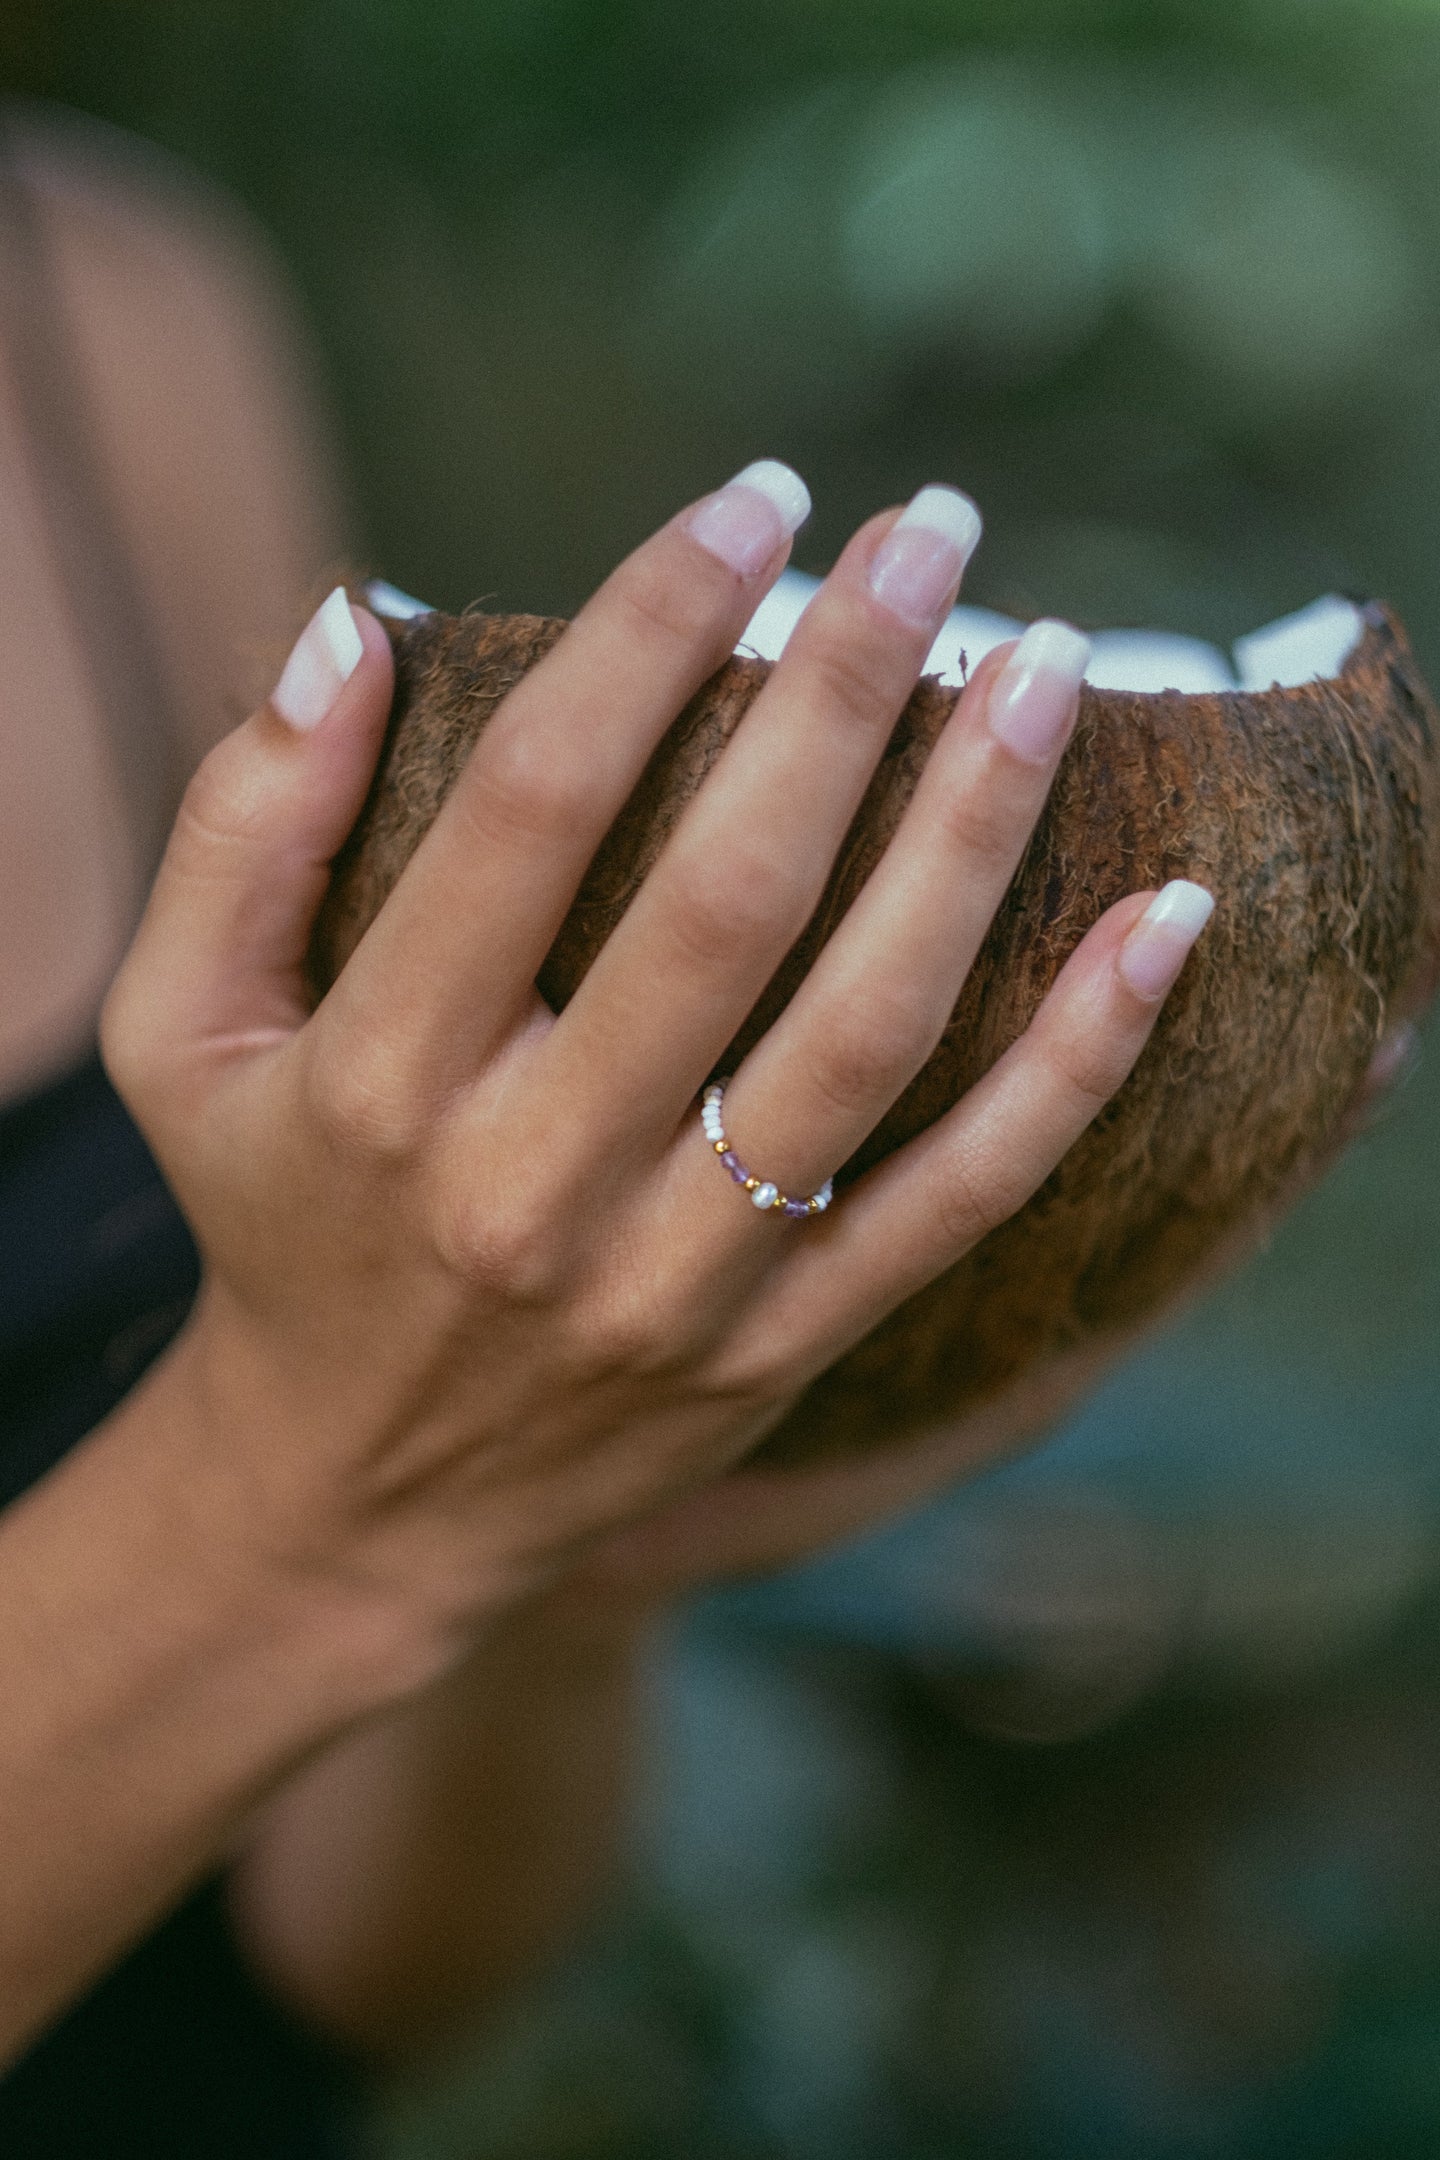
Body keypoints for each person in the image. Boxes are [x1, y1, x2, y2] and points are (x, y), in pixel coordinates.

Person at [0, 102, 1219, 2154]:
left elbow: (346, 1982)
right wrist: (321, 1501)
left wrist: (560, 1534)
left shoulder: (105, 306)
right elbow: (320, 1502)